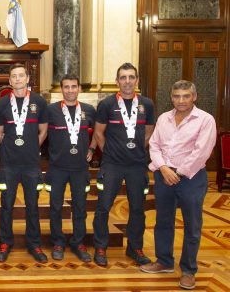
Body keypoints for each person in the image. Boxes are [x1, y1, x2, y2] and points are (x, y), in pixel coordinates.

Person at [141, 80, 216, 290]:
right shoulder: (164, 118)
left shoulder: (205, 120)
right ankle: (164, 261)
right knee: (163, 222)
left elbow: (202, 151)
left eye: (185, 96)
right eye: (177, 96)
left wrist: (178, 172)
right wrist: (164, 168)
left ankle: (189, 270)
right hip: (165, 176)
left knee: (192, 226)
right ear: (171, 97)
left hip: (192, 178)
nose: (181, 100)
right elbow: (154, 145)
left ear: (194, 97)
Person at [92, 62, 155, 266]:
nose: (127, 81)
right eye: (123, 77)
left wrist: (135, 150)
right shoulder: (107, 104)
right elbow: (99, 133)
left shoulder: (147, 104)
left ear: (136, 80)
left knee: (137, 208)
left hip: (137, 165)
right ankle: (101, 247)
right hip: (112, 165)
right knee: (103, 207)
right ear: (117, 80)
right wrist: (109, 152)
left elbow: (149, 132)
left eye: (131, 77)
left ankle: (135, 248)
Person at [0, 63, 48, 263]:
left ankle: (34, 244)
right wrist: (11, 146)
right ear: (9, 81)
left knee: (32, 205)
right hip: (8, 164)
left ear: (27, 79)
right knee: (6, 205)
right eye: (14, 76)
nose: (17, 79)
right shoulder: (1, 104)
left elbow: (43, 130)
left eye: (21, 76)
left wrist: (32, 146)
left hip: (32, 164)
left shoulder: (39, 102)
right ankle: (5, 243)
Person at [46, 74, 96, 262]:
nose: (70, 90)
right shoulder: (51, 110)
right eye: (66, 87)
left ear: (79, 88)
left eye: (73, 86)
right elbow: (41, 131)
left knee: (80, 207)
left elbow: (99, 131)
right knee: (55, 207)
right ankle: (58, 242)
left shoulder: (90, 110)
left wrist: (91, 148)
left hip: (80, 168)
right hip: (57, 167)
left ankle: (78, 242)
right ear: (61, 89)